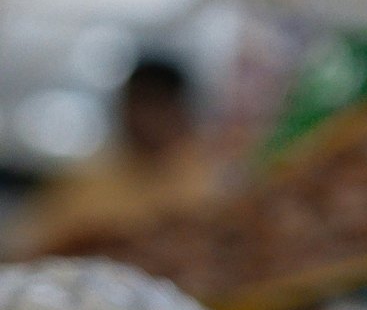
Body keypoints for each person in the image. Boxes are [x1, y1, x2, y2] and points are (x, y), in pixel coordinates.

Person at [10, 54, 220, 256]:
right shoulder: (89, 179)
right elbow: (33, 241)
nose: (143, 118)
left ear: (179, 110)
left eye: (155, 105)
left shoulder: (211, 184)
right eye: (136, 104)